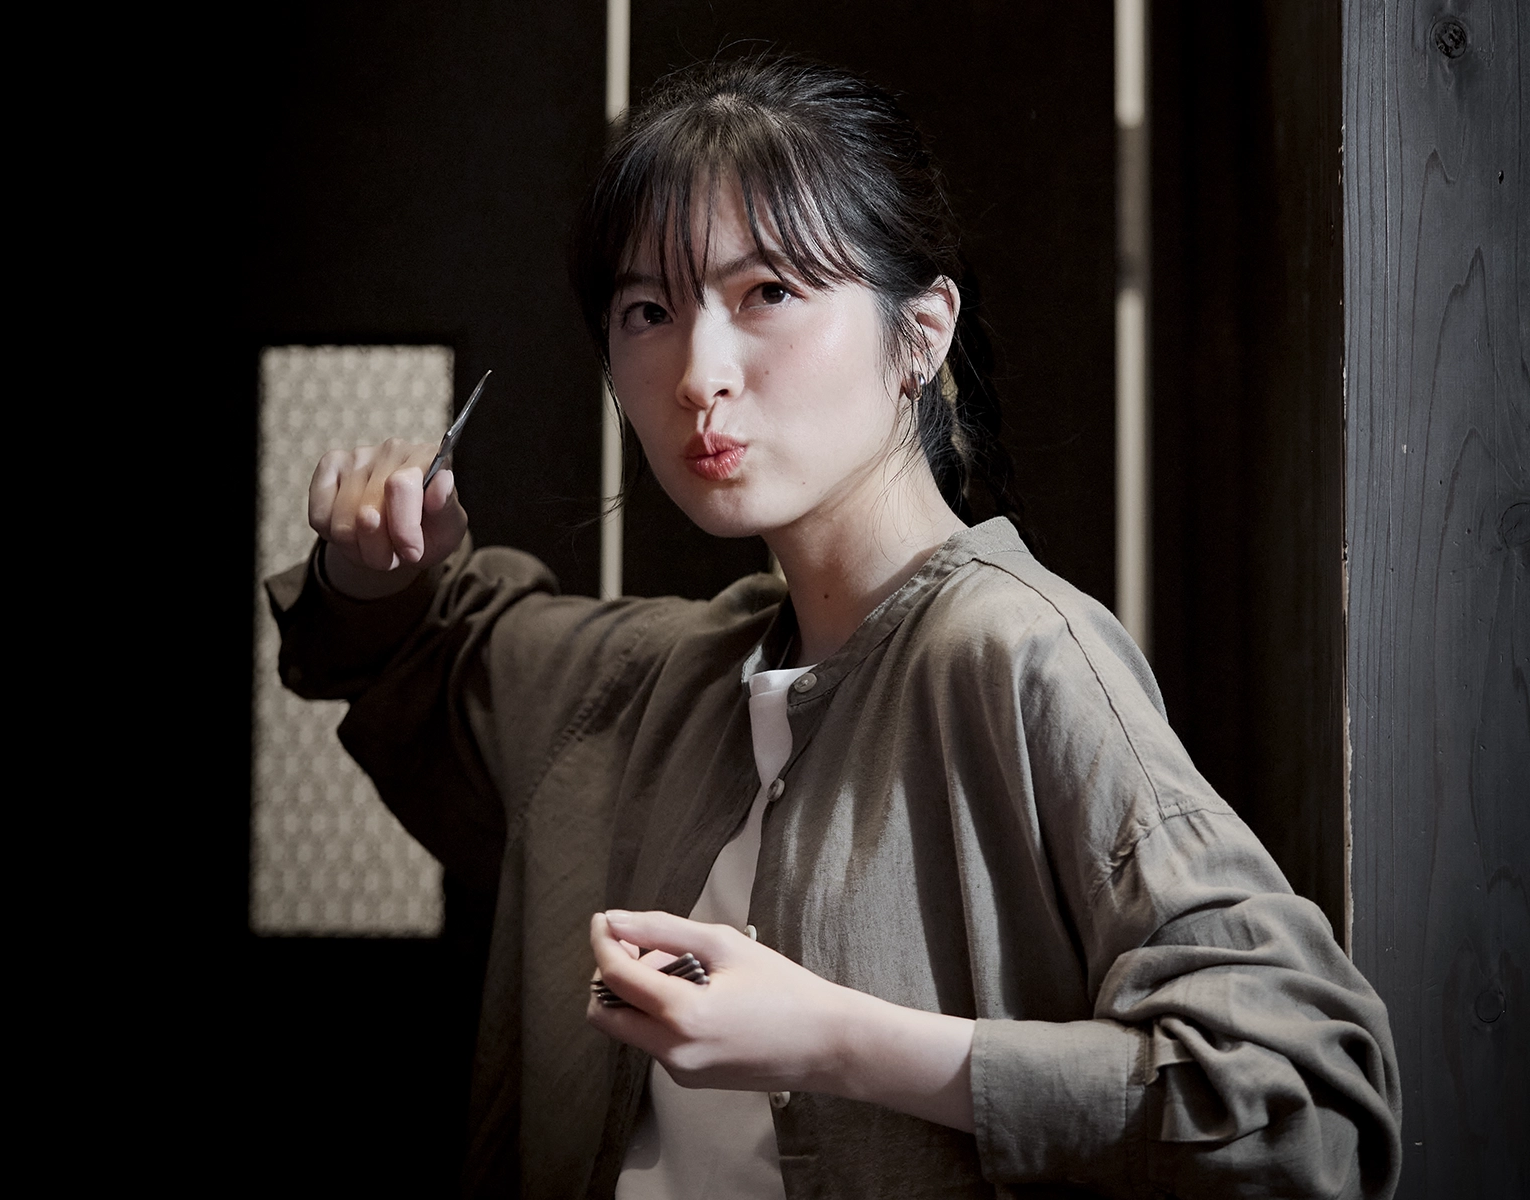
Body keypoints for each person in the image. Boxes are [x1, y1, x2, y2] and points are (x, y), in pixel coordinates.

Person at [267, 55, 1400, 1199]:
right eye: (648, 312)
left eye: (767, 292)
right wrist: (373, 560)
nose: (699, 374)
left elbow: (1300, 1107)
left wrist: (831, 1040)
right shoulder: (657, 675)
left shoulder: (1017, 653)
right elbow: (417, 653)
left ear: (921, 331)